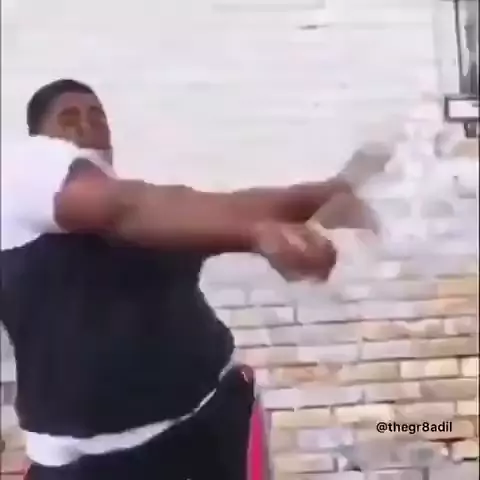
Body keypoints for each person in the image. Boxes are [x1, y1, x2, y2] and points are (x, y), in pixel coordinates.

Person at [1, 79, 377, 480]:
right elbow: (122, 209)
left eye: (97, 117)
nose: (85, 127)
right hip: (87, 462)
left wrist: (325, 195)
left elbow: (223, 207)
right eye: (68, 118)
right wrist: (255, 234)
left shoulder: (156, 210)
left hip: (209, 420)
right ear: (39, 140)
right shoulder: (20, 179)